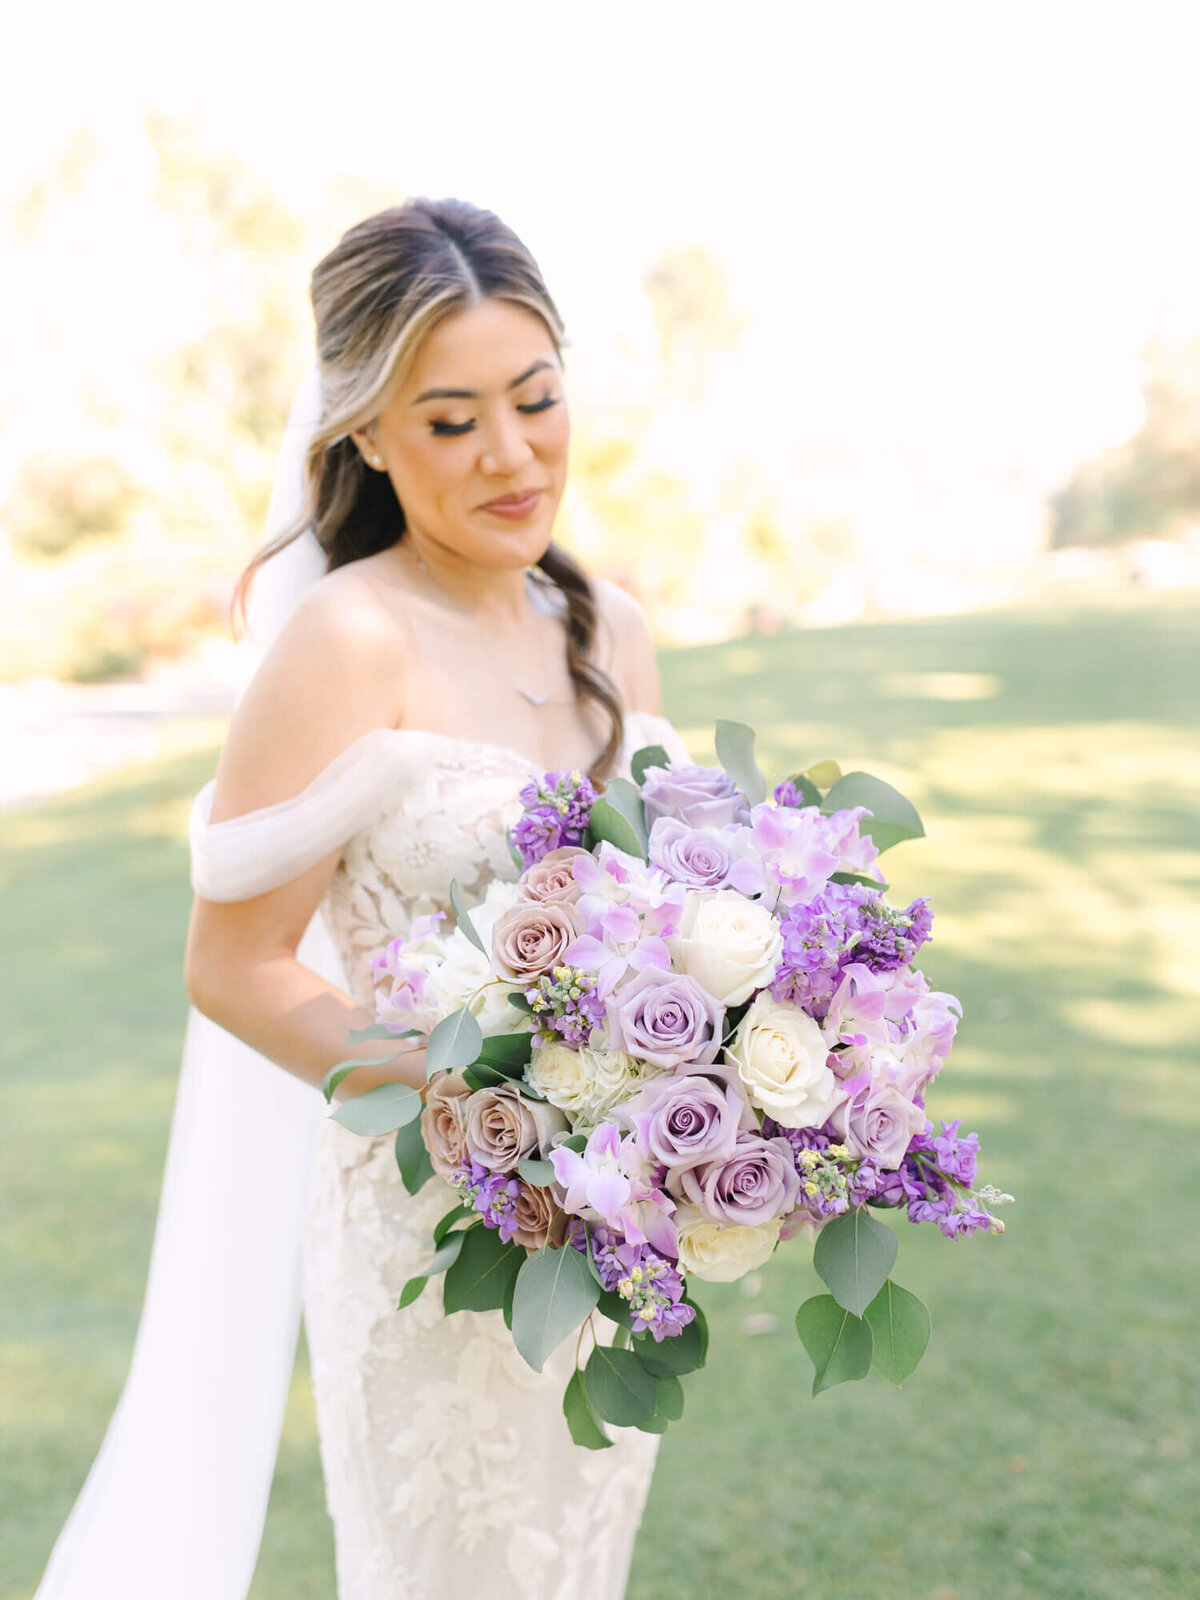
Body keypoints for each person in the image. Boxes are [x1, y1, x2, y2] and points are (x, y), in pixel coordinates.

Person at [35, 198, 691, 1600]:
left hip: (608, 1224)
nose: (512, 456)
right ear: (363, 436)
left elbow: (658, 913)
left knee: (580, 1561)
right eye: (451, 422)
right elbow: (238, 964)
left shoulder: (611, 631)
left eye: (535, 401)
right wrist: (475, 1102)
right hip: (428, 1220)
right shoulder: (347, 639)